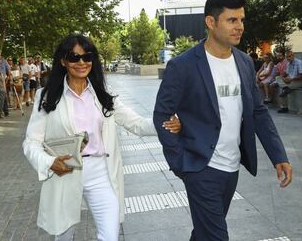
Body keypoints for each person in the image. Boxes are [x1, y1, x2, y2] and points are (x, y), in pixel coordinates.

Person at [153, 0, 292, 240]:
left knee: (205, 233)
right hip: (200, 166)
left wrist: (277, 155)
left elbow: (258, 111)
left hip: (232, 166)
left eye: (241, 20)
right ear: (211, 22)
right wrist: (180, 162)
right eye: (232, 20)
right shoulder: (183, 66)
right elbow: (161, 114)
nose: (240, 27)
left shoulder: (244, 62)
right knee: (216, 236)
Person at [22, 34, 182, 240]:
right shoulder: (47, 97)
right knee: (63, 237)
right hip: (66, 173)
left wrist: (167, 124)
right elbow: (31, 143)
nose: (81, 63)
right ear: (63, 61)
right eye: (74, 57)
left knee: (110, 236)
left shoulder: (103, 93)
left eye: (87, 57)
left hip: (101, 174)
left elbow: (136, 123)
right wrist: (49, 162)